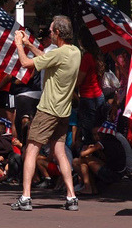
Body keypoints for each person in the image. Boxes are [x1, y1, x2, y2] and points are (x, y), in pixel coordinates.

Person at [11, 15, 81, 211]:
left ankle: (25, 197)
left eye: (51, 31)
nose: (50, 33)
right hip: (64, 111)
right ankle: (71, 196)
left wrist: (19, 45)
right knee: (60, 152)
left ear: (58, 33)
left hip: (48, 109)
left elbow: (26, 64)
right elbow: (46, 58)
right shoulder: (74, 52)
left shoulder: (59, 53)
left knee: (30, 150)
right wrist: (29, 45)